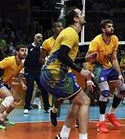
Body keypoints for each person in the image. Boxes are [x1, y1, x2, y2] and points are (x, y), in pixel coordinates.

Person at [40, 8, 96, 139]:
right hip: (55, 73)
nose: (83, 15)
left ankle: (63, 135)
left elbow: (65, 56)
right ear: (76, 19)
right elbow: (62, 55)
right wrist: (81, 71)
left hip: (49, 73)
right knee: (85, 101)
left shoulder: (68, 32)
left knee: (77, 102)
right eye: (81, 14)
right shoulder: (71, 33)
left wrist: (85, 60)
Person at [84, 19, 125, 133]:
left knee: (123, 89)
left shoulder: (114, 39)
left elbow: (114, 58)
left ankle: (111, 114)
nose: (111, 28)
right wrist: (88, 78)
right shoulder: (96, 41)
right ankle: (101, 123)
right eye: (109, 26)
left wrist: (119, 74)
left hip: (108, 67)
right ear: (103, 29)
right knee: (105, 91)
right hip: (97, 68)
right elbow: (86, 58)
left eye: (112, 26)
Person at [0, 45, 27, 130]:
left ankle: (2, 118)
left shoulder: (21, 64)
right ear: (17, 52)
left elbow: (17, 76)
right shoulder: (9, 60)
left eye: (25, 51)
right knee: (9, 98)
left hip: (4, 83)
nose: (24, 53)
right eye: (22, 50)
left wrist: (22, 84)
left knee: (17, 100)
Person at [40, 21, 64, 126]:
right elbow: (41, 57)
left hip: (66, 70)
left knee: (75, 95)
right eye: (58, 27)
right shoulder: (47, 42)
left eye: (62, 26)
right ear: (53, 29)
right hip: (53, 71)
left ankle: (77, 120)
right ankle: (54, 111)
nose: (61, 28)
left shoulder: (66, 41)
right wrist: (47, 65)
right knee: (59, 95)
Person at [23, 33, 50, 114]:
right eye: (38, 37)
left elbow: (45, 58)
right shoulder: (28, 47)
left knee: (43, 88)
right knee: (30, 88)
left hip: (38, 70)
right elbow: (24, 58)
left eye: (41, 38)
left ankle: (46, 107)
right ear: (34, 38)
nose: (39, 39)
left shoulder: (42, 49)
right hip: (29, 70)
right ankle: (27, 107)